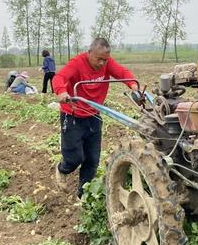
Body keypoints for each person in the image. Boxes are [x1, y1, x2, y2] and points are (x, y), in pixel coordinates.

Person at [52, 38, 138, 198]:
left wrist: (133, 85)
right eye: (98, 59)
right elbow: (59, 77)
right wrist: (61, 92)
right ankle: (62, 169)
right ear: (89, 52)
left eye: (105, 60)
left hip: (94, 115)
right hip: (72, 116)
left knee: (92, 160)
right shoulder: (77, 63)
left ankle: (83, 195)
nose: (102, 63)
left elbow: (122, 73)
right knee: (74, 158)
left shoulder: (107, 63)